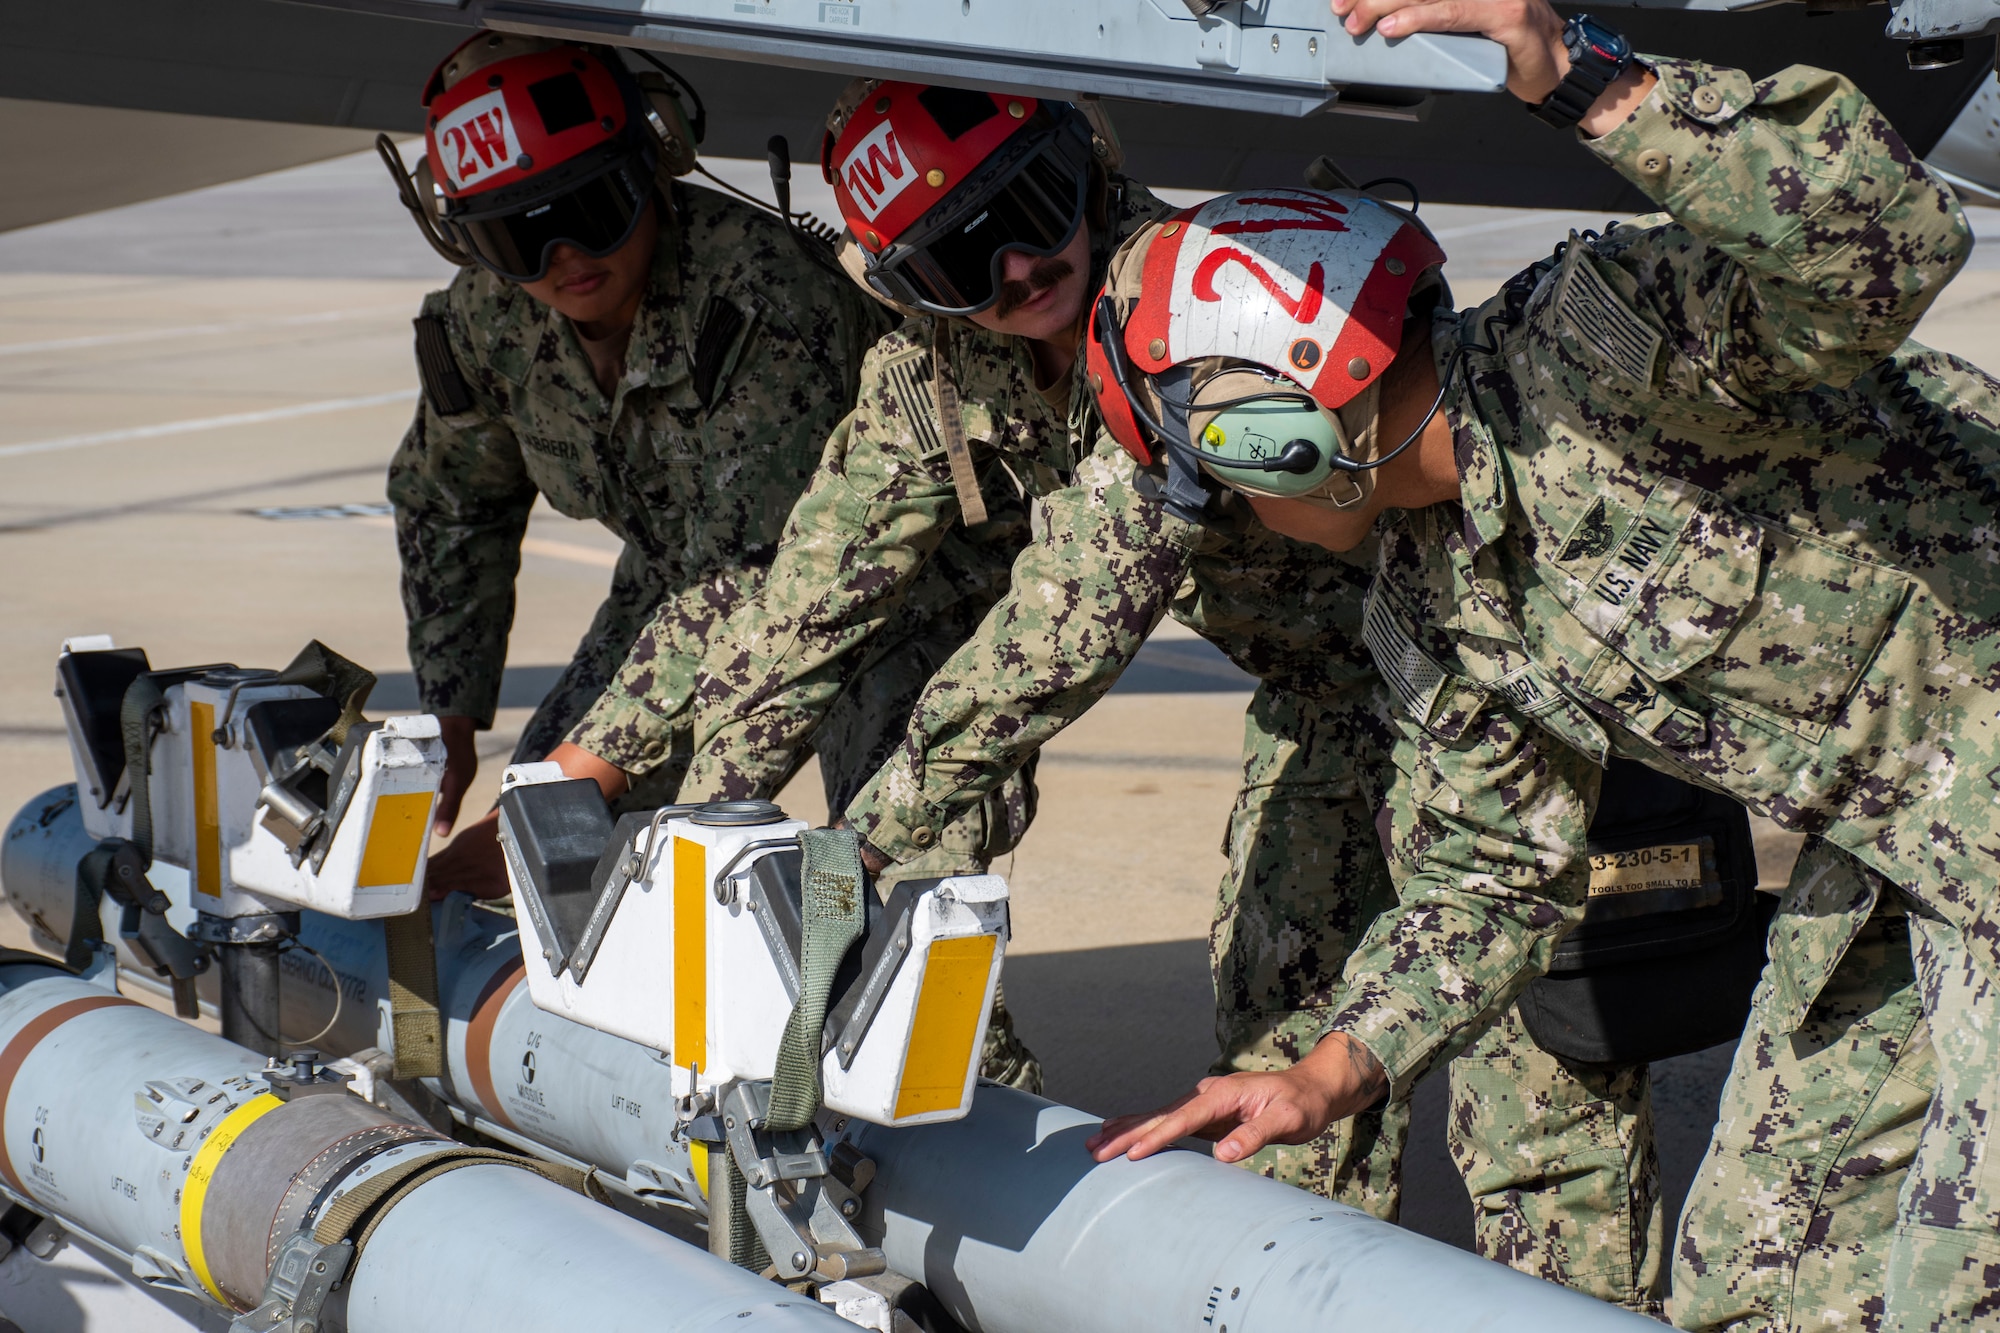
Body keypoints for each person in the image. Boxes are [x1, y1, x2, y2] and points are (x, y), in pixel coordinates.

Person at [535, 77, 1688, 1312]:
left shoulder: (1197, 302)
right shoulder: (937, 380)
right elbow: (808, 598)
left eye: (1031, 208)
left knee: (1537, 1093)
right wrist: (674, 818)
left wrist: (855, 849)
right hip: (1324, 709)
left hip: (1500, 693)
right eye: (961, 259)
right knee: (1280, 1055)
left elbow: (1053, 636)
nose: (1022, 267)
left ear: (1085, 164)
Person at [1082, 0, 1992, 1326]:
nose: (1225, 515)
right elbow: (1490, 863)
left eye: (1210, 473)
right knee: (1766, 1269)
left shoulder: (1592, 349)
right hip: (1908, 837)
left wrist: (1585, 79)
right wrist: (1329, 1072)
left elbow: (1886, 244)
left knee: (1958, 1276)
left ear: (1280, 432)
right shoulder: (1433, 594)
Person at [377, 33, 887, 895]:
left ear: (654, 162)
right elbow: (454, 499)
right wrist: (451, 708)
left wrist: (581, 778)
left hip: (884, 584)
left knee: (887, 889)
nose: (565, 258)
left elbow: (756, 578)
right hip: (681, 589)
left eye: (592, 207)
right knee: (547, 864)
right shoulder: (488, 321)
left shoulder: (762, 298)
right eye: (516, 237)